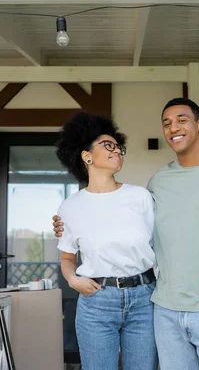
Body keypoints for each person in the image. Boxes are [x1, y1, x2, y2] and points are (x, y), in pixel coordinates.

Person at [54, 98, 199, 370]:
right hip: (162, 308)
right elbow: (129, 226)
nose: (173, 127)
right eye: (166, 123)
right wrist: (66, 224)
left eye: (182, 120)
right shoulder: (158, 181)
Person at [54, 112, 158, 370]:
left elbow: (160, 245)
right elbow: (67, 258)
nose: (117, 151)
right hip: (96, 301)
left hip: (144, 298)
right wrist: (72, 279)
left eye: (118, 146)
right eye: (107, 145)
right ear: (86, 156)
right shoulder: (70, 207)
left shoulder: (141, 197)